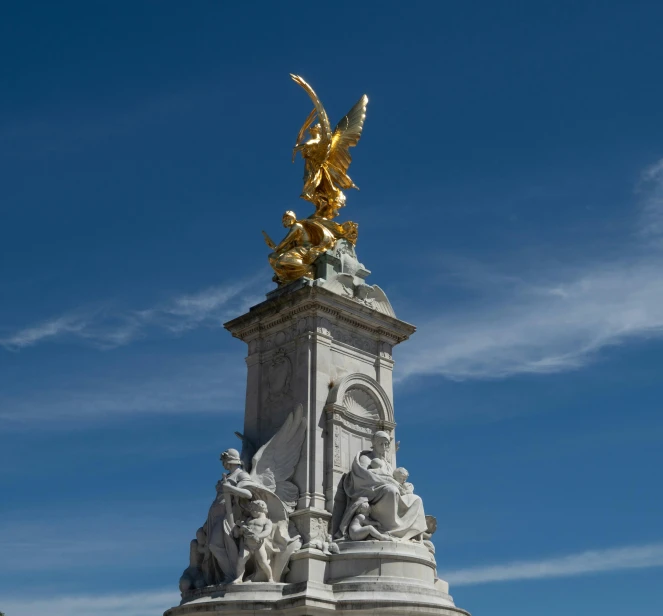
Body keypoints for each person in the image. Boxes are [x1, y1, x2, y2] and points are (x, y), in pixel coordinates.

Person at [336, 431, 427, 541]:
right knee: (391, 490)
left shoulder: (387, 464)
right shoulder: (365, 458)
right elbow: (364, 477)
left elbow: (394, 479)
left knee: (416, 499)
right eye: (381, 443)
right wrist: (389, 481)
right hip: (372, 492)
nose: (384, 446)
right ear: (374, 444)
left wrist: (405, 486)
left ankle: (408, 534)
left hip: (390, 491)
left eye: (386, 444)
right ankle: (388, 529)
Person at [233, 500, 274, 583]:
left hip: (258, 545)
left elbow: (267, 531)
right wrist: (241, 529)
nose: (251, 511)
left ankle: (270, 578)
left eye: (253, 509)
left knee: (263, 563)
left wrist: (258, 536)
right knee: (241, 560)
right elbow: (242, 532)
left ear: (260, 509)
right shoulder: (249, 520)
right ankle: (239, 578)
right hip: (247, 545)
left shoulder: (266, 521)